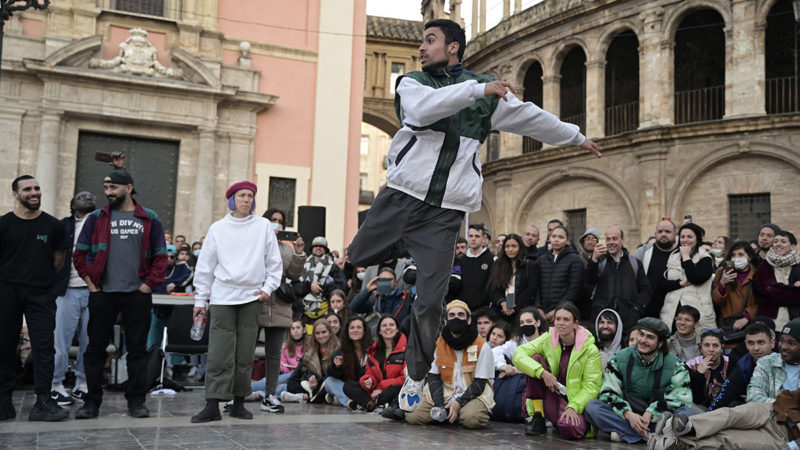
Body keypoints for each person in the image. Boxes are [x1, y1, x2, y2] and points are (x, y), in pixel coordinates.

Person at [346, 18, 601, 413]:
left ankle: (416, 374)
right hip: (402, 198)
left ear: (453, 47)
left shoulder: (486, 96)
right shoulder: (414, 83)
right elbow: (426, 109)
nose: (421, 48)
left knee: (431, 302)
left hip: (444, 213)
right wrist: (478, 89)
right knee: (358, 255)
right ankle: (402, 248)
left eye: (430, 40)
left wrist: (575, 135)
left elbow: (530, 116)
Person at [73, 169, 167, 420]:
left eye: (113, 187)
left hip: (137, 294)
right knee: (94, 349)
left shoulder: (149, 217)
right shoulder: (96, 218)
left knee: (137, 351)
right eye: (106, 188)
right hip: (103, 293)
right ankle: (91, 402)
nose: (108, 192)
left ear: (128, 188)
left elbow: (160, 256)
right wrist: (90, 281)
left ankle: (136, 401)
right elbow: (79, 254)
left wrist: (148, 285)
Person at [189, 181, 283, 423]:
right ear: (232, 199)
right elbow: (205, 267)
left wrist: (267, 288)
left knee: (245, 353)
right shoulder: (218, 228)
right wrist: (200, 299)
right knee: (219, 352)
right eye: (242, 195)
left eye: (250, 196)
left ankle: (239, 402)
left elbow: (274, 262)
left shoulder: (262, 226)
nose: (247, 199)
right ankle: (212, 403)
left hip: (251, 297)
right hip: (222, 297)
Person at [0, 176, 69, 422]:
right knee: (4, 346)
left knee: (43, 347)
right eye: (27, 189)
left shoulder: (53, 226)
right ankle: (3, 402)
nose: (34, 193)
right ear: (15, 194)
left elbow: (58, 260)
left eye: (37, 188)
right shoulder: (4, 225)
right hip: (6, 291)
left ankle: (43, 401)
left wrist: (41, 280)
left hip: (41, 293)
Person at [585, 317, 693, 444]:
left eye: (650, 337)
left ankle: (627, 434)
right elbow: (608, 393)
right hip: (628, 414)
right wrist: (628, 414)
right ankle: (649, 437)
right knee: (593, 407)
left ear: (660, 343)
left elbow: (680, 398)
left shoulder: (675, 365)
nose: (643, 340)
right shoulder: (619, 358)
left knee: (688, 413)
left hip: (658, 418)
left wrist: (651, 412)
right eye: (641, 335)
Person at [514, 302, 603, 439]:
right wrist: (543, 373)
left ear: (575, 324)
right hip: (553, 393)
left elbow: (592, 386)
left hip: (574, 401)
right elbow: (519, 354)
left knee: (570, 428)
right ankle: (539, 416)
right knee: (534, 358)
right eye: (558, 319)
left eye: (566, 319)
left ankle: (562, 419)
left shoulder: (590, 349)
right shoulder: (548, 338)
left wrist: (573, 406)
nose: (561, 323)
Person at [404, 300, 495, 428]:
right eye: (451, 315)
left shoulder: (482, 346)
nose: (456, 318)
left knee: (473, 419)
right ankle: (448, 413)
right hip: (444, 393)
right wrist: (439, 404)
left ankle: (457, 413)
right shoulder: (438, 343)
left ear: (469, 320)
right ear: (445, 321)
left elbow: (480, 384)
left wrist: (458, 402)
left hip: (472, 395)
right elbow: (433, 377)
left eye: (460, 315)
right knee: (412, 416)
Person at [51, 191, 96, 407]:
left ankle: (82, 383)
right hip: (66, 289)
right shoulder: (62, 226)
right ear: (72, 204)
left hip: (94, 290)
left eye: (90, 196)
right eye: (81, 196)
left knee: (90, 342)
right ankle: (56, 385)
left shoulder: (101, 225)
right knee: (61, 342)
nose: (87, 196)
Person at [257, 215, 306, 414]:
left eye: (280, 220)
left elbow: (294, 275)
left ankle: (269, 395)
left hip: (279, 303)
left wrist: (299, 254)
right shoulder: (256, 243)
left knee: (274, 352)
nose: (276, 222)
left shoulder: (286, 248)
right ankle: (237, 395)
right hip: (257, 300)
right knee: (244, 351)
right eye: (272, 219)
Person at [647, 387, 800, 450]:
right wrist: (796, 419)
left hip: (784, 438)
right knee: (730, 414)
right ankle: (687, 426)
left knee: (730, 440)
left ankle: (675, 443)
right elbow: (786, 397)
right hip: (773, 412)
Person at [586, 226, 651, 334]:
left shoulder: (634, 263)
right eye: (608, 239)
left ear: (622, 240)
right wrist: (594, 260)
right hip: (603, 320)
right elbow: (587, 284)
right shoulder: (598, 261)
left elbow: (646, 289)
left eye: (614, 239)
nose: (611, 242)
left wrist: (636, 308)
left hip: (628, 321)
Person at [660, 223, 717, 330]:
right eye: (682, 237)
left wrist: (686, 256)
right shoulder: (673, 256)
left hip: (697, 312)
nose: (685, 240)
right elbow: (662, 284)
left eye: (689, 237)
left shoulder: (705, 258)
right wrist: (679, 283)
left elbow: (696, 278)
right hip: (672, 312)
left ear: (697, 239)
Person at [344, 315, 407, 411]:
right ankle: (372, 406)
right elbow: (370, 373)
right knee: (348, 386)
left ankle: (364, 403)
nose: (388, 327)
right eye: (384, 325)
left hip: (392, 390)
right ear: (379, 331)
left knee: (396, 389)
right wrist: (368, 381)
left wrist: (381, 387)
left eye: (391, 325)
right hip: (376, 392)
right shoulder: (373, 351)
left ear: (397, 329)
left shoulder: (406, 350)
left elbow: (404, 378)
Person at [708, 321, 775, 410]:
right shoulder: (743, 367)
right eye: (751, 343)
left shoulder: (784, 362)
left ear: (772, 343)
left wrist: (756, 400)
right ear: (746, 344)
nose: (756, 348)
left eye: (761, 342)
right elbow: (724, 398)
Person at [531, 225, 584, 323]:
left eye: (561, 237)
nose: (556, 240)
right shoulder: (541, 260)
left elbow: (574, 289)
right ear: (549, 238)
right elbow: (536, 286)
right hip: (541, 312)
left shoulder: (575, 260)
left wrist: (557, 310)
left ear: (567, 240)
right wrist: (538, 307)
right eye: (554, 236)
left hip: (563, 313)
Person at [282, 319, 339, 403]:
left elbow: (336, 374)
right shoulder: (310, 351)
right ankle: (320, 397)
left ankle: (306, 397)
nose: (321, 336)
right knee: (291, 383)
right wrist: (310, 378)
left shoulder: (338, 349)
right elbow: (300, 373)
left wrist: (317, 382)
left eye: (324, 332)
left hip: (329, 382)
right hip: (313, 385)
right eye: (317, 333)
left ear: (330, 333)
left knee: (328, 382)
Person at [754, 231, 800, 331]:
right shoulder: (764, 266)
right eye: (775, 241)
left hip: (795, 322)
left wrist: (774, 289)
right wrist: (794, 291)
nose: (778, 244)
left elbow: (771, 290)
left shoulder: (798, 265)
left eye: (783, 241)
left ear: (792, 246)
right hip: (770, 322)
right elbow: (762, 292)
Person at [747, 317, 800, 404]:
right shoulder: (766, 363)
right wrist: (786, 406)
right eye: (782, 341)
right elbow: (754, 396)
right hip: (771, 414)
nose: (783, 347)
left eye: (791, 343)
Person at [712, 241, 761, 336]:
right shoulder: (722, 272)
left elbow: (761, 302)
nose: (736, 258)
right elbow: (717, 301)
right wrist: (722, 284)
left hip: (751, 326)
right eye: (733, 255)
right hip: (729, 326)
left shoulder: (758, 275)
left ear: (749, 257)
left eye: (741, 254)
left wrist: (747, 317)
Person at [635, 220, 681, 319]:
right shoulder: (643, 252)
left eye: (667, 232)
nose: (663, 234)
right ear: (655, 234)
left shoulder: (682, 254)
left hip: (673, 313)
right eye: (660, 232)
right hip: (645, 310)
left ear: (675, 234)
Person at [324, 317, 374, 409]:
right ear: (347, 331)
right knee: (329, 381)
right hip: (348, 387)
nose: (355, 330)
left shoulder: (373, 349)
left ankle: (340, 399)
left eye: (359, 327)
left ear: (364, 331)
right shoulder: (341, 351)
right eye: (352, 328)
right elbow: (333, 375)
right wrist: (336, 367)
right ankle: (350, 402)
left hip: (366, 387)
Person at [486, 234, 533, 320]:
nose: (510, 249)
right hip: (500, 312)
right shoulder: (497, 265)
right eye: (507, 246)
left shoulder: (529, 265)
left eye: (514, 246)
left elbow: (530, 289)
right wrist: (503, 303)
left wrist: (512, 306)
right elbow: (492, 288)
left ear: (520, 248)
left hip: (522, 312)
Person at [685, 330, 729, 411]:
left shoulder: (731, 363)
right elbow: (696, 399)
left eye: (715, 345)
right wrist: (699, 373)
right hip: (701, 408)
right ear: (701, 348)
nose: (711, 349)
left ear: (722, 348)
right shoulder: (691, 366)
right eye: (706, 345)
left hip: (726, 407)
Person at [457, 223, 495, 312]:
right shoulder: (461, 260)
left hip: (484, 308)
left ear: (483, 238)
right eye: (471, 236)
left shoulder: (491, 259)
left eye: (477, 236)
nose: (473, 239)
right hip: (464, 308)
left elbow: (493, 285)